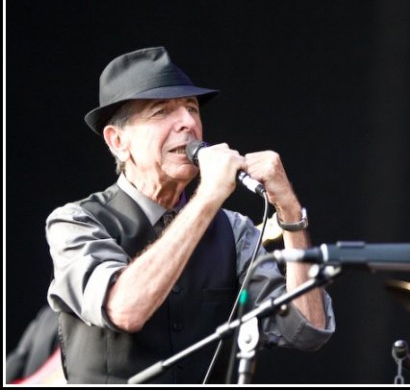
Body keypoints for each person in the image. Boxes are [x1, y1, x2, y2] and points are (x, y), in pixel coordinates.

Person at [45, 46, 335, 384]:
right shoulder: (77, 222)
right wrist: (209, 195)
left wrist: (290, 212)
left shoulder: (234, 231)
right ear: (118, 140)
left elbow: (308, 331)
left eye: (191, 108)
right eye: (161, 111)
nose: (188, 123)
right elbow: (124, 310)